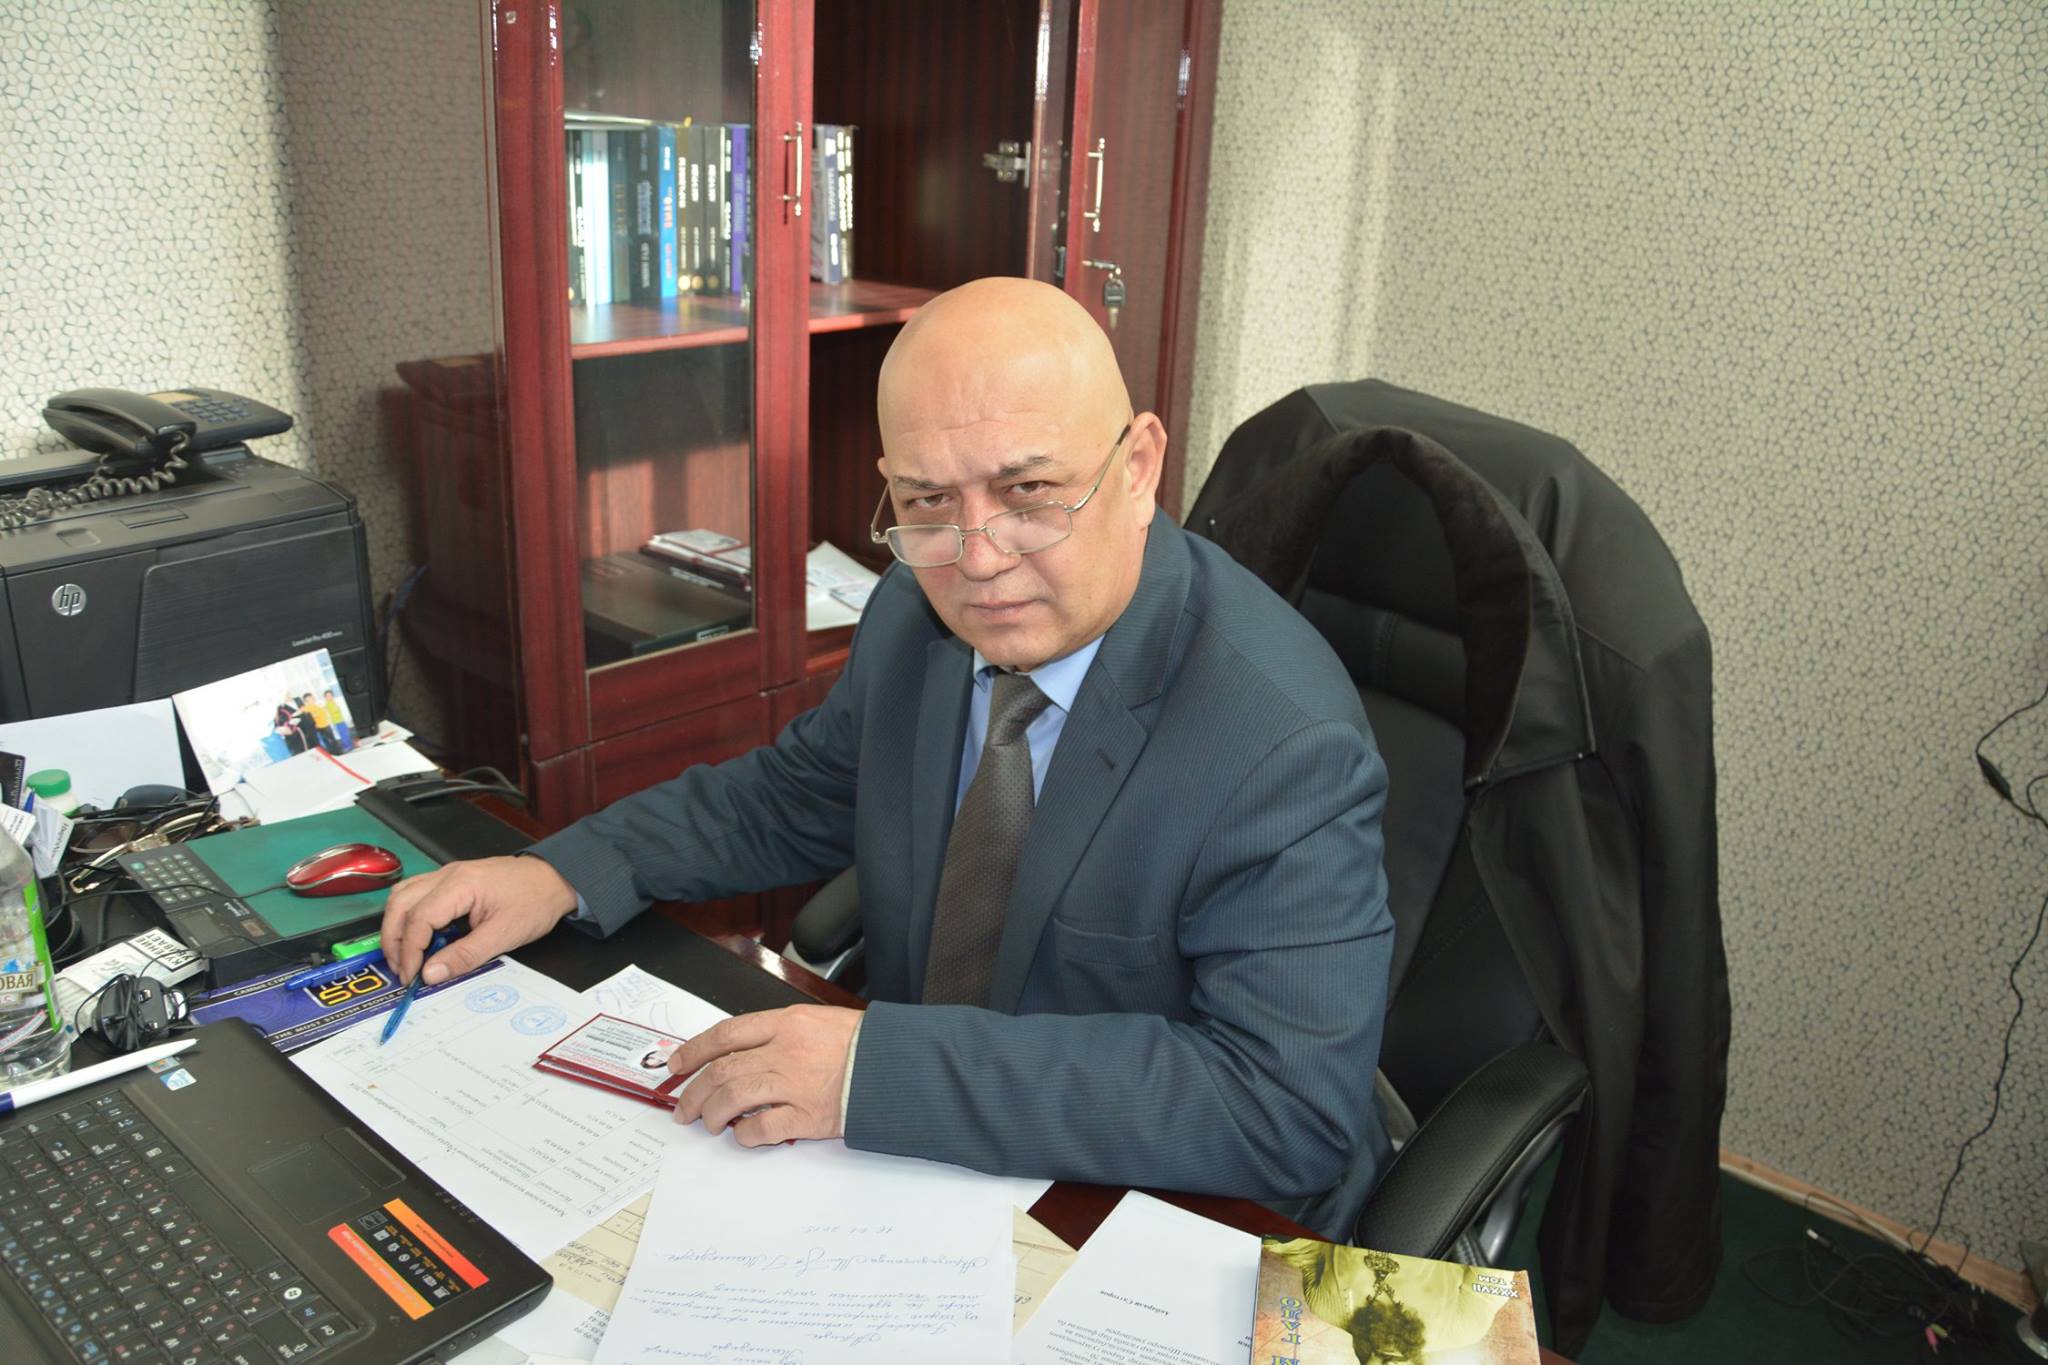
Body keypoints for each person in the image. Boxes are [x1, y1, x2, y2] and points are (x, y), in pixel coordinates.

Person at [379, 277, 1393, 1201]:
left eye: (1027, 493)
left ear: (1137, 468)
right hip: (911, 1179)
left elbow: (1283, 1112)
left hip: (1144, 1203)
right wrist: (563, 871)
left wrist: (873, 1073)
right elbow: (795, 796)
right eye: (927, 500)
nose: (976, 558)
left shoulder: (1281, 742)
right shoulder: (915, 609)